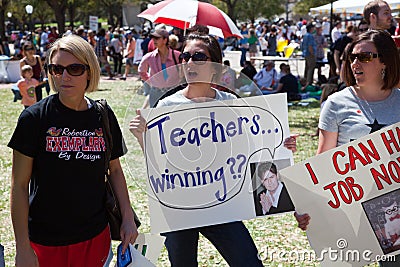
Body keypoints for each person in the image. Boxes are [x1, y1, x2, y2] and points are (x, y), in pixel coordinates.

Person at [131, 32, 299, 266]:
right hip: (179, 207)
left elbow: (254, 148)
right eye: (185, 57)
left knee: (248, 261)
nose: (189, 62)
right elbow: (156, 162)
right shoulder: (166, 106)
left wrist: (281, 143)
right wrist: (142, 136)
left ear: (215, 67)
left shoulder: (229, 104)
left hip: (221, 205)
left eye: (198, 57)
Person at [9, 34, 138, 267]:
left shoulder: (103, 116)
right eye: (57, 69)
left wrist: (127, 218)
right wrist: (22, 247)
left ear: (89, 71)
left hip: (95, 236)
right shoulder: (34, 118)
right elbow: (19, 186)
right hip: (46, 240)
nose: (64, 76)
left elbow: (115, 171)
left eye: (75, 69)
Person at [295, 30, 400, 266]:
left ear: (384, 60)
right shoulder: (335, 104)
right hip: (349, 209)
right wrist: (310, 207)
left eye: (364, 57)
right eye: (351, 57)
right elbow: (322, 162)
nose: (354, 63)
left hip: (394, 211)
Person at [138, 28, 181, 108]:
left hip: (173, 93)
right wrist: (151, 82)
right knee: (156, 117)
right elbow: (141, 71)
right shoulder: (149, 57)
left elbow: (184, 70)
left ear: (165, 40)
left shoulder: (177, 55)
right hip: (156, 93)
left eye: (157, 38)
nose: (154, 40)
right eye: (153, 38)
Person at [301, 23, 317, 90]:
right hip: (310, 54)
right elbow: (310, 46)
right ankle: (308, 82)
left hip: (305, 54)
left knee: (307, 68)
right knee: (311, 68)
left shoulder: (305, 35)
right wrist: (312, 53)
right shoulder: (310, 36)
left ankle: (305, 82)